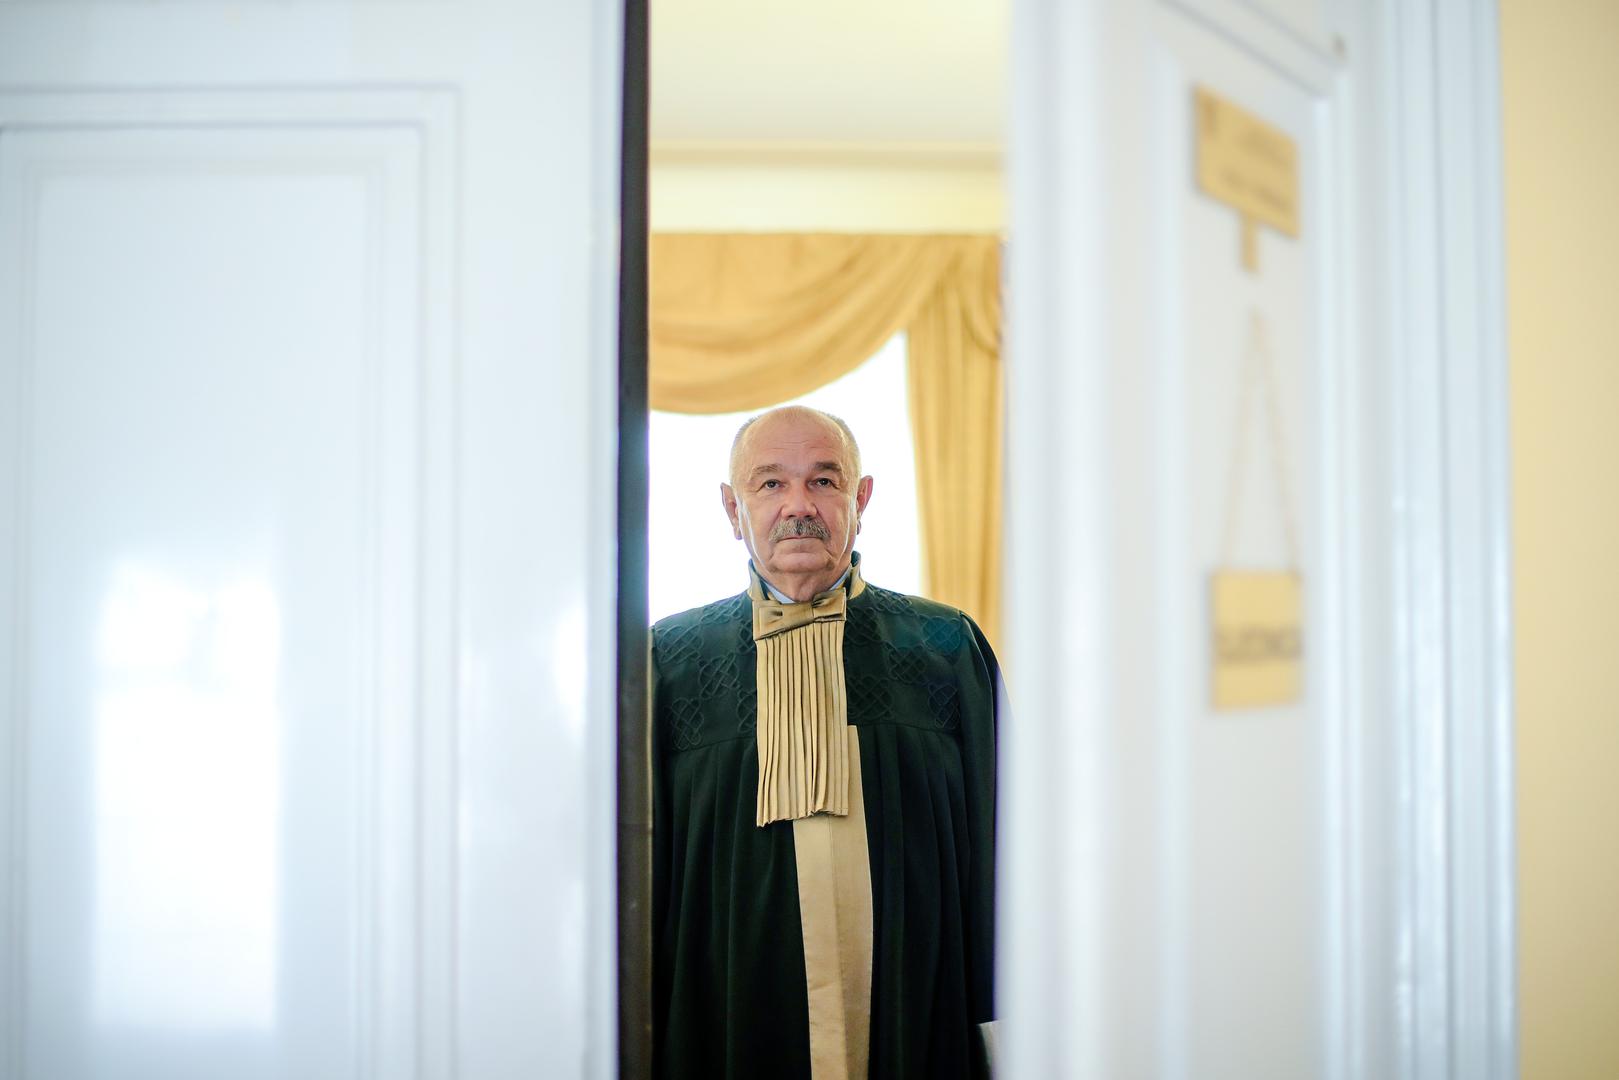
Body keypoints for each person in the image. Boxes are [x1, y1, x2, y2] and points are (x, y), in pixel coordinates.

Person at [651, 405, 999, 1079]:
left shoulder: (945, 645)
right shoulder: (669, 658)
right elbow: (640, 864)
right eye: (771, 483)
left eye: (823, 481)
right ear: (732, 509)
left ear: (860, 499)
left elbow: (1000, 836)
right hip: (723, 1006)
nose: (798, 506)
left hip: (911, 1001)